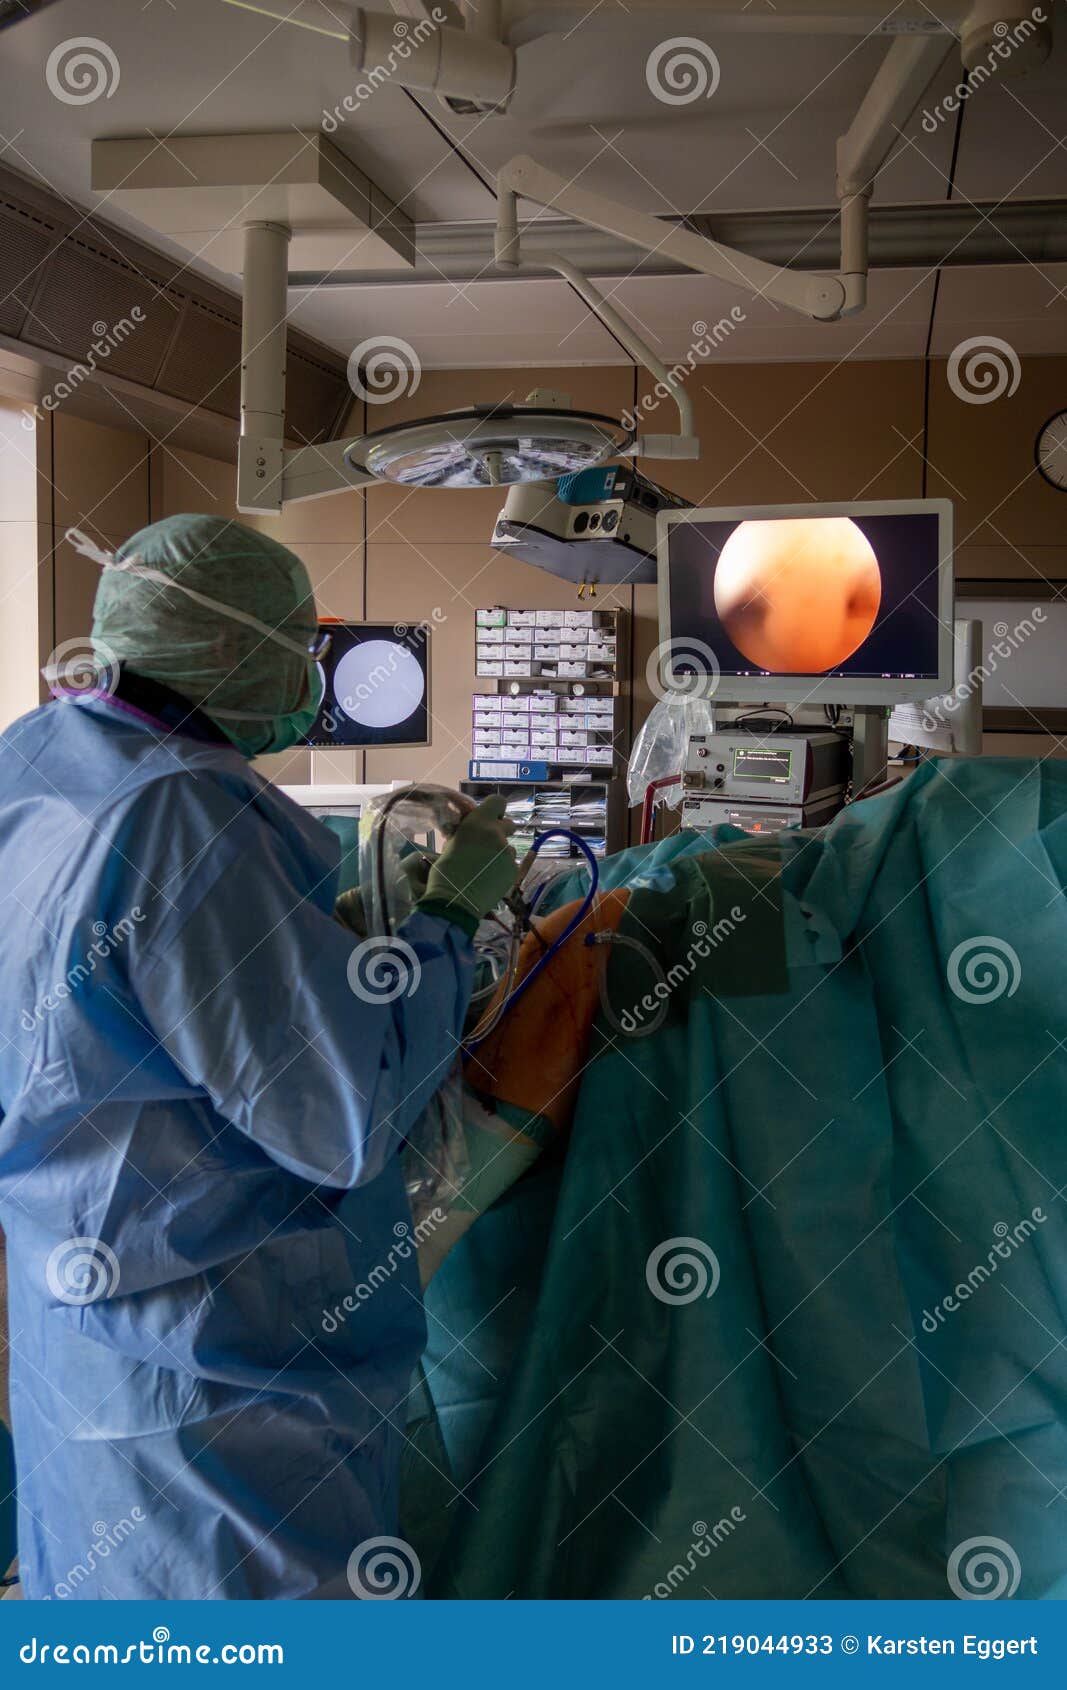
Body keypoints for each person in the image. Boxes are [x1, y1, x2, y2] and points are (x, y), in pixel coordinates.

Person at [0, 514, 516, 1600]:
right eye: (294, 648)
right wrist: (442, 929)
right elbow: (341, 1111)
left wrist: (319, 950)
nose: (305, 676)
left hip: (82, 1333)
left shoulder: (36, 761)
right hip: (217, 1373)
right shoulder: (183, 817)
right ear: (233, 652)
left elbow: (126, 1007)